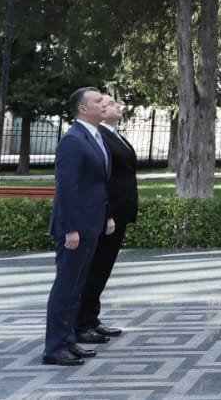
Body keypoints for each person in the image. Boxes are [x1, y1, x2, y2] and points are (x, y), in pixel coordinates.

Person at [42, 86, 114, 367]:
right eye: (98, 101)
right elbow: (67, 189)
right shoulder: (73, 139)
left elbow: (98, 185)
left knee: (77, 287)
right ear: (83, 109)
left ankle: (68, 340)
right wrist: (70, 228)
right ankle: (54, 347)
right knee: (65, 287)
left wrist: (106, 215)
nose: (103, 105)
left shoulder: (94, 136)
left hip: (91, 224)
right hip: (75, 228)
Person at [76, 92, 137, 344]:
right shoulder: (98, 136)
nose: (114, 106)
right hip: (106, 215)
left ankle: (91, 319)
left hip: (119, 212)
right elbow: (103, 179)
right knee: (94, 269)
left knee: (102, 269)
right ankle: (80, 324)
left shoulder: (113, 135)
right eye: (108, 104)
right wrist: (108, 213)